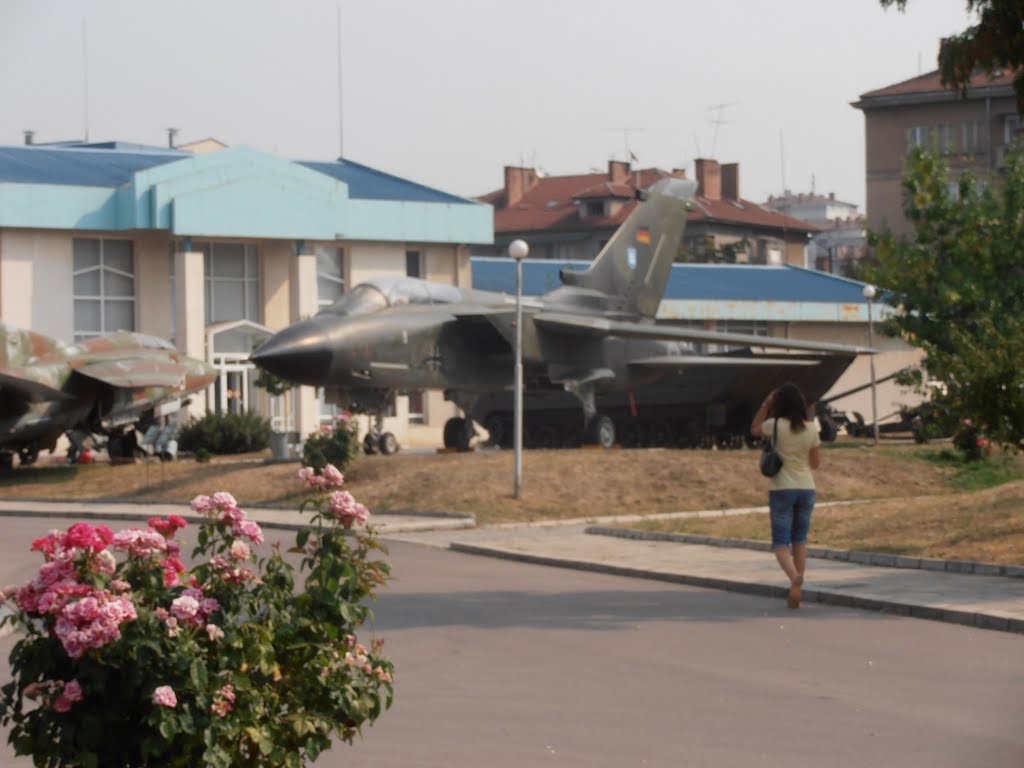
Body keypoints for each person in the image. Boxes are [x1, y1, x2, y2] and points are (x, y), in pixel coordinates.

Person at [751, 382, 821, 609]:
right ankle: (797, 586)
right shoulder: (811, 428)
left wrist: (765, 404)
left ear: (778, 403)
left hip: (781, 488)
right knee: (800, 539)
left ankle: (793, 578)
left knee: (781, 542)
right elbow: (815, 463)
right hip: (807, 487)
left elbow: (754, 429)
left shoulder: (776, 425)